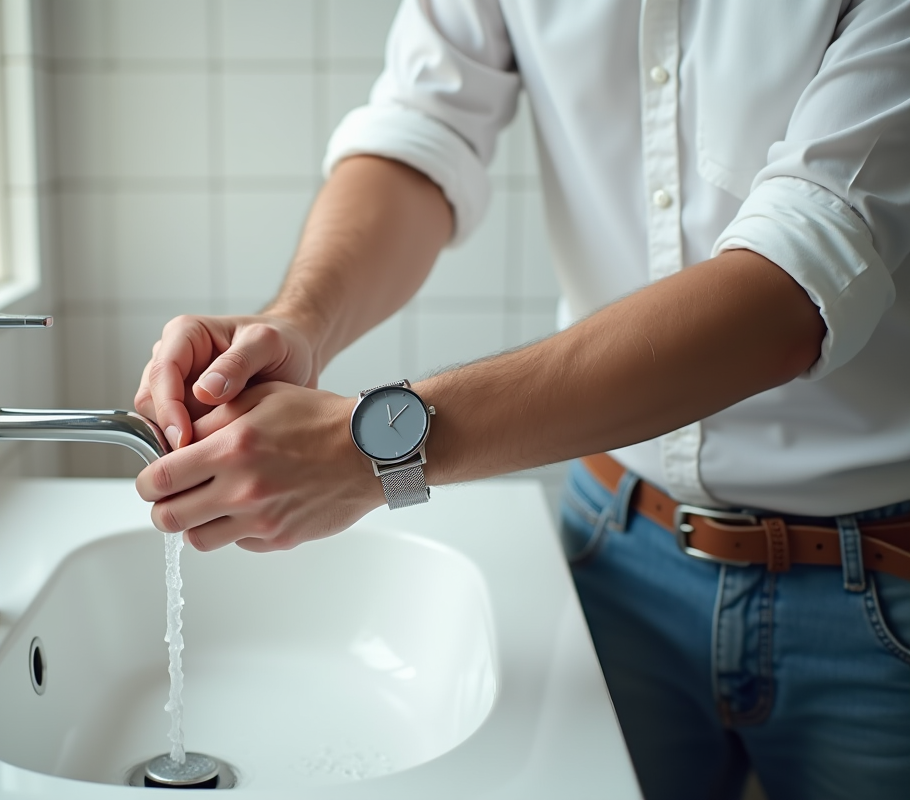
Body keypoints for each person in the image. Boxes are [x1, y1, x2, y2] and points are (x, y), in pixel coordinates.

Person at [132, 2, 910, 798]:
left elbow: (798, 282)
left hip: (882, 590)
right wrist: (295, 322)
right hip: (613, 544)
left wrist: (372, 454)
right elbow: (420, 131)